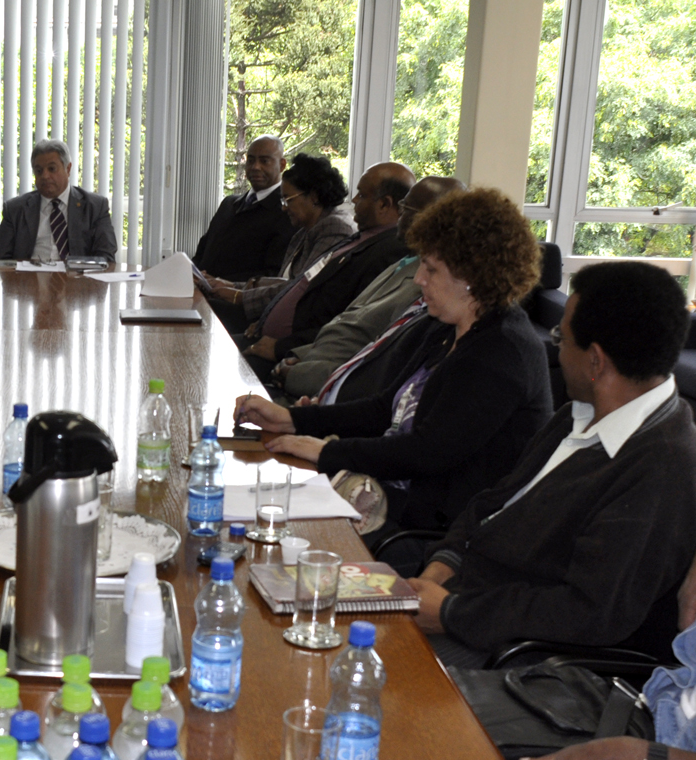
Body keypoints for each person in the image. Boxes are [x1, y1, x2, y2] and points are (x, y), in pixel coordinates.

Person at [235, 188, 552, 560]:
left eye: (431, 269)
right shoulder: (445, 327)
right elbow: (384, 408)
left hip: (436, 535)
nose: (419, 279)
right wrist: (292, 419)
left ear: (473, 276)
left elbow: (427, 452)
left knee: (276, 539)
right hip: (398, 499)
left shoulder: (501, 352)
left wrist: (329, 451)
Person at [406, 260, 696, 668]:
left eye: (562, 336)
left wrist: (453, 612)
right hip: (457, 601)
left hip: (501, 651)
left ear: (595, 362)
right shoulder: (578, 413)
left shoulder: (661, 468)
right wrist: (444, 562)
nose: (556, 346)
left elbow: (590, 611)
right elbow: (492, 504)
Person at [276, 176, 467, 401]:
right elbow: (347, 323)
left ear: (431, 218)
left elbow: (376, 361)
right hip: (311, 365)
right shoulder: (405, 260)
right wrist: (298, 356)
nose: (399, 214)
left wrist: (299, 373)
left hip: (331, 391)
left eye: (405, 207)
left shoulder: (434, 289)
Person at [235, 162, 416, 377]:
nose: (354, 200)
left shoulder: (387, 253)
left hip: (293, 354)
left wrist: (282, 347)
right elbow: (303, 283)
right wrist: (266, 317)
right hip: (268, 338)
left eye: (362, 195)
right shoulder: (361, 237)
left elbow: (345, 322)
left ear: (385, 204)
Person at [204, 153, 354, 337]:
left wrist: (239, 296)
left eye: (288, 200)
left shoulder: (334, 227)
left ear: (314, 197)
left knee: (209, 317)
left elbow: (301, 289)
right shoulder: (305, 229)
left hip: (294, 331)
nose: (283, 208)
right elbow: (284, 282)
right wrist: (231, 285)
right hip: (269, 315)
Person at [0, 138, 118, 262]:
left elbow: (105, 258)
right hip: (28, 282)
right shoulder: (15, 209)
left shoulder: (95, 207)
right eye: (38, 170)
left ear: (68, 169)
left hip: (78, 281)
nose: (44, 176)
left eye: (52, 169)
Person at [193, 136, 297, 283]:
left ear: (281, 165)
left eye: (264, 161)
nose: (255, 167)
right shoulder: (229, 205)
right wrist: (194, 273)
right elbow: (202, 252)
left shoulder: (286, 213)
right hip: (199, 291)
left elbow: (273, 273)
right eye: (251, 160)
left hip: (237, 299)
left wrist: (220, 282)